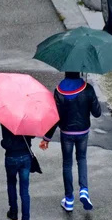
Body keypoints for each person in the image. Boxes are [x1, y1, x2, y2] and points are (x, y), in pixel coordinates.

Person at [39, 72, 101, 212]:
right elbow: (97, 113)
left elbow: (55, 117)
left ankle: (69, 200)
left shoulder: (59, 90)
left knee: (67, 164)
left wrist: (46, 138)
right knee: (82, 159)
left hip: (66, 133)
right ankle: (84, 190)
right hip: (83, 131)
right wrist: (90, 96)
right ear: (79, 72)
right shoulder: (88, 89)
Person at [1, 124, 34, 220]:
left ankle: (13, 213)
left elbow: (6, 142)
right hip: (25, 156)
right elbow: (32, 135)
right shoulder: (28, 117)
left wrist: (3, 143)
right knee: (25, 191)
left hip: (11, 157)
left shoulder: (6, 119)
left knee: (11, 183)